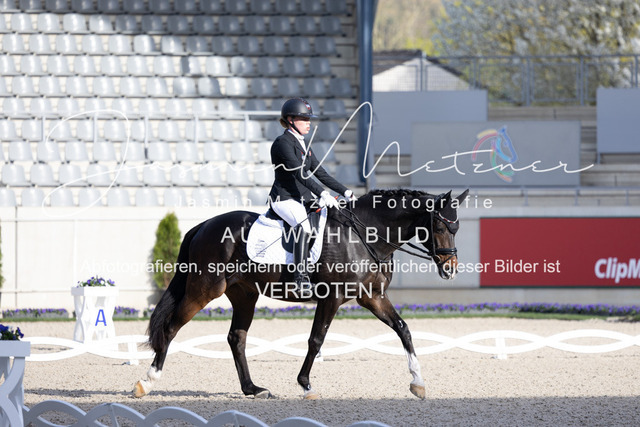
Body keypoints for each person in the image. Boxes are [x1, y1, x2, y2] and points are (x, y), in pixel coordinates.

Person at [268, 98, 356, 293]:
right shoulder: (282, 143)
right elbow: (299, 173)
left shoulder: (303, 144)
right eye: (304, 119)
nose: (309, 123)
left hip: (303, 198)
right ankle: (299, 278)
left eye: (309, 119)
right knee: (303, 226)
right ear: (290, 120)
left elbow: (320, 172)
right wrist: (323, 193)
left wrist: (346, 191)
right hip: (284, 198)